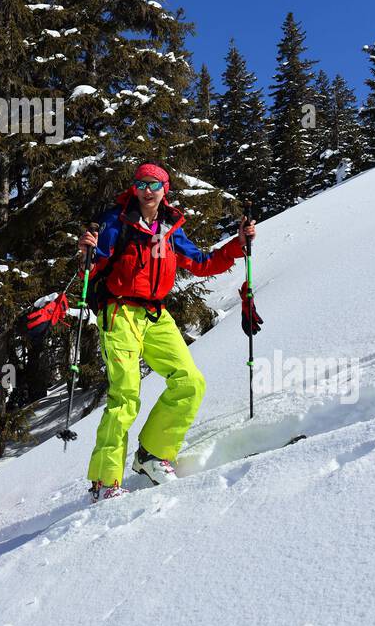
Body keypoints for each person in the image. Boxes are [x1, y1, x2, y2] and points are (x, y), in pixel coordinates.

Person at [78, 162, 255, 501]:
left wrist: (238, 243)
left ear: (165, 190)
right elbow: (95, 263)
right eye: (141, 183)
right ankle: (104, 482)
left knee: (190, 381)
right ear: (134, 188)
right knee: (125, 394)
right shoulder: (117, 221)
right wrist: (86, 250)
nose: (147, 190)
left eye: (154, 184)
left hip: (156, 314)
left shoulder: (170, 228)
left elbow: (203, 263)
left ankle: (152, 454)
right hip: (119, 312)